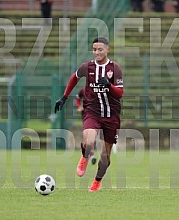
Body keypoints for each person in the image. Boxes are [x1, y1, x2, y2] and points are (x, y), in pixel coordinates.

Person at [54, 37, 124, 192]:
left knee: (105, 159)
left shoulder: (115, 68)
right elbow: (74, 78)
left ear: (107, 50)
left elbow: (120, 93)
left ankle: (97, 181)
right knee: (89, 141)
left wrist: (109, 85)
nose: (97, 52)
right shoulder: (87, 67)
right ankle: (85, 157)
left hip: (112, 115)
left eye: (100, 49)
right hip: (92, 111)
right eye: (94, 49)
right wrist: (64, 97)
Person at [75, 87, 97, 165]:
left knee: (91, 137)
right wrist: (79, 106)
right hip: (86, 117)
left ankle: (90, 155)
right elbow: (77, 98)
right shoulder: (83, 90)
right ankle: (89, 155)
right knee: (88, 137)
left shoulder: (99, 89)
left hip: (96, 116)